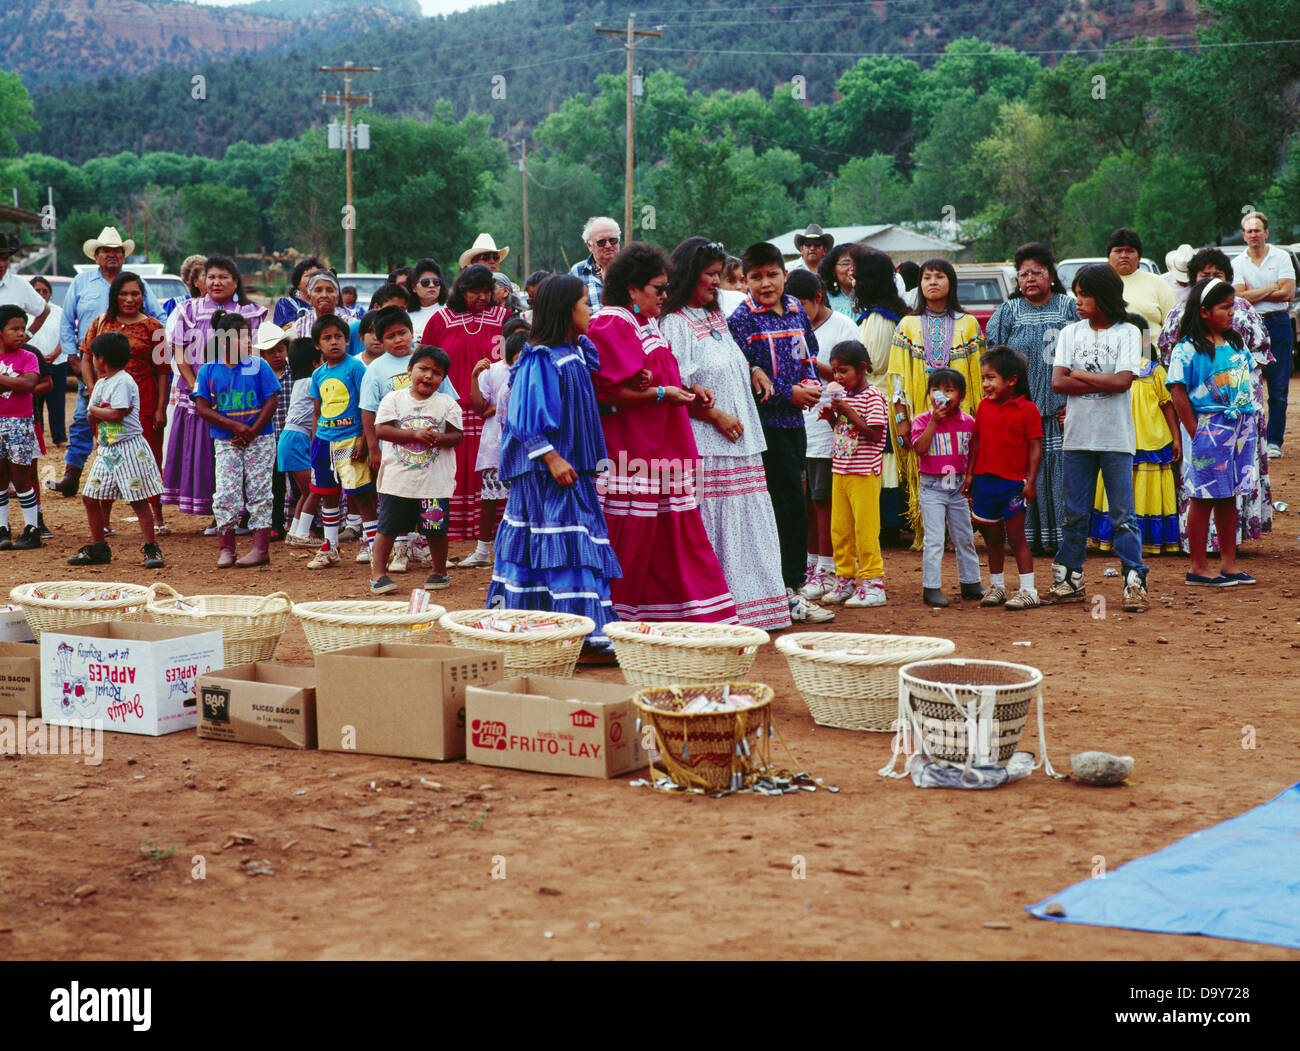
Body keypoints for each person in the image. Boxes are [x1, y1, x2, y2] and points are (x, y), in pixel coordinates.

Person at [590, 243, 739, 624]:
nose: (665, 295)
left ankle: (674, 617)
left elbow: (659, 381)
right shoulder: (612, 322)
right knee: (632, 538)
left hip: (663, 446)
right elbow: (606, 390)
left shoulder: (646, 322)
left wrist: (689, 393)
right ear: (632, 290)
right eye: (658, 288)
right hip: (633, 449)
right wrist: (660, 393)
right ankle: (614, 622)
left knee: (668, 537)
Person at [661, 237, 792, 631]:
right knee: (715, 526)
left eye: (720, 275)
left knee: (748, 523)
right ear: (688, 276)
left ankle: (758, 608)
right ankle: (722, 611)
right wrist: (715, 415)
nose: (716, 282)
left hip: (741, 442)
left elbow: (729, 361)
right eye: (709, 276)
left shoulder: (715, 317)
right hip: (709, 445)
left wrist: (752, 370)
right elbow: (676, 388)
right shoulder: (675, 322)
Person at [486, 274, 622, 651]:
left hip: (570, 468)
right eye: (584, 303)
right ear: (565, 310)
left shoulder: (575, 351)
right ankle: (556, 632)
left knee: (567, 545)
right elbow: (523, 419)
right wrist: (552, 458)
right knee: (559, 545)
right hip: (547, 473)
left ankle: (573, 633)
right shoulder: (540, 358)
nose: (590, 309)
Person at [728, 241, 830, 623]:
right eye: (756, 277)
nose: (765, 283)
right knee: (777, 507)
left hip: (795, 424)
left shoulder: (795, 311)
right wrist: (791, 393)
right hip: (764, 428)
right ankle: (783, 590)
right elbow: (744, 380)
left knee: (795, 506)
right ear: (744, 280)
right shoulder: (741, 320)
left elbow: (808, 355)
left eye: (772, 275)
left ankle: (794, 586)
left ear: (785, 276)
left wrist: (811, 384)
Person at [1048, 264, 1148, 612]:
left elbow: (1124, 382)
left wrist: (1078, 373)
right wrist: (1097, 378)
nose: (1079, 301)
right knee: (1075, 514)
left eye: (1085, 294)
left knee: (1123, 515)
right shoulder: (1069, 333)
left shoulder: (1133, 331)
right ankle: (1070, 578)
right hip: (1077, 436)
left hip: (1116, 437)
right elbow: (1057, 383)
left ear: (1104, 296)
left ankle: (1134, 580)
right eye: (1076, 293)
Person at [1158, 247, 1272, 552]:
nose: (1209, 279)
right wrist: (1195, 430)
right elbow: (1174, 379)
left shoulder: (1243, 317)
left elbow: (1255, 360)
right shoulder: (1181, 325)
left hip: (1239, 419)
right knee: (1202, 489)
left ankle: (1229, 553)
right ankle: (1197, 557)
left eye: (1217, 274)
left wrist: (1246, 410)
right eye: (1203, 275)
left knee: (1232, 488)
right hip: (1203, 422)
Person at [52, 227, 164, 498]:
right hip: (93, 367)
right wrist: (74, 358)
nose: (112, 255)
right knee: (85, 418)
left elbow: (160, 317)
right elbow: (67, 321)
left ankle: (139, 490)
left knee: (135, 428)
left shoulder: (139, 284)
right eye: (106, 251)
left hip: (137, 375)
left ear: (123, 256)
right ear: (96, 255)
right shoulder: (81, 283)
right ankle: (73, 472)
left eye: (117, 251)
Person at [985, 243, 1079, 554]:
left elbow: (1084, 355)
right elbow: (993, 362)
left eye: (1037, 272)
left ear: (1051, 275)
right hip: (1020, 412)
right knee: (1023, 473)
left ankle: (1065, 541)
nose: (1029, 279)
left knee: (1061, 473)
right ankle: (1026, 540)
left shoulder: (1070, 308)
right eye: (1023, 274)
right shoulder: (1007, 312)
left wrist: (1074, 402)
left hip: (1060, 411)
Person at [1166, 277, 1259, 587]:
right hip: (1207, 430)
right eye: (1224, 307)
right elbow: (1177, 391)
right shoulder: (1187, 348)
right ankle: (1198, 566)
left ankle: (1229, 564)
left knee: (1229, 496)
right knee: (1202, 497)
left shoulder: (1235, 342)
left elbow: (1245, 380)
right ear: (1204, 311)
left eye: (1232, 306)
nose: (1232, 312)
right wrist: (1196, 433)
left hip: (1238, 429)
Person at [889, 257, 984, 548]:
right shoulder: (907, 324)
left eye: (939, 276)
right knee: (926, 470)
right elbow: (897, 378)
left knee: (959, 466)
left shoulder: (968, 324)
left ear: (951, 283)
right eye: (927, 277)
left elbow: (978, 376)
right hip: (921, 413)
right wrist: (902, 419)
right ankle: (928, 534)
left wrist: (979, 416)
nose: (932, 282)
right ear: (919, 284)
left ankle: (959, 534)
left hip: (961, 415)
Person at [163, 255, 266, 521]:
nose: (216, 282)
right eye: (211, 276)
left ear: (235, 281)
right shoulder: (189, 310)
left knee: (242, 456)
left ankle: (243, 514)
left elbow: (257, 355)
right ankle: (217, 515)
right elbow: (179, 352)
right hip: (200, 398)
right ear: (202, 280)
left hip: (241, 400)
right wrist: (196, 389)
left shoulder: (252, 312)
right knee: (208, 457)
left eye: (223, 277)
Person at [360, 306, 457, 573]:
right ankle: (398, 553)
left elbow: (449, 404)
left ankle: (425, 553)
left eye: (402, 333)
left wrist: (442, 436)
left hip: (431, 461)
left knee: (430, 513)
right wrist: (373, 449)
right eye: (390, 336)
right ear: (380, 340)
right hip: (395, 452)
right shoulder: (375, 370)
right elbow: (368, 410)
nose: (398, 340)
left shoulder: (429, 360)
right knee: (394, 509)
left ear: (412, 332)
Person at [421, 264, 508, 544]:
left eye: (486, 292)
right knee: (452, 468)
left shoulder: (504, 318)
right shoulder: (441, 320)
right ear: (461, 290)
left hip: (493, 411)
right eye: (475, 292)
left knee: (492, 469)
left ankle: (490, 533)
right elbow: (426, 361)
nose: (482, 297)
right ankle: (450, 529)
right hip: (452, 407)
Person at [785, 267, 858, 602]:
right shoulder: (788, 325)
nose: (795, 312)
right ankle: (813, 566)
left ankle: (830, 569)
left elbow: (853, 378)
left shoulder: (844, 327)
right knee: (807, 502)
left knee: (828, 504)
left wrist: (814, 364)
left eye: (801, 304)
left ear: (817, 298)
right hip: (800, 429)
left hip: (833, 431)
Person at [79, 271, 169, 535]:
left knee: (148, 456)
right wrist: (93, 388)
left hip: (144, 399)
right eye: (123, 293)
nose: (130, 299)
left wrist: (161, 408)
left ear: (143, 296)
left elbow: (163, 370)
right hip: (107, 402)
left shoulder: (155, 328)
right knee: (107, 453)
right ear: (114, 296)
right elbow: (86, 357)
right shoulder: (100, 322)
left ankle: (158, 517)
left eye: (135, 293)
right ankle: (104, 520)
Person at [369, 346, 463, 594]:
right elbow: (382, 430)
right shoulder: (394, 399)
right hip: (398, 481)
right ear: (410, 370)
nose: (429, 376)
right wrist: (414, 434)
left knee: (435, 529)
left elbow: (457, 436)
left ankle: (439, 572)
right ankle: (378, 574)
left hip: (433, 482)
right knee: (387, 528)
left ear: (443, 378)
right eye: (423, 369)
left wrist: (437, 439)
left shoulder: (447, 404)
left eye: (437, 372)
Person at [67, 331, 165, 569]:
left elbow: (115, 414)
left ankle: (152, 548)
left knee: (138, 500)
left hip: (128, 448)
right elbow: (103, 413)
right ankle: (100, 547)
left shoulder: (122, 381)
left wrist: (96, 412)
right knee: (90, 497)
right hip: (108, 449)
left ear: (101, 359)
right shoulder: (103, 383)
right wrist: (98, 413)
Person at [192, 312, 280, 568]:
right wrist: (235, 427)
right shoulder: (208, 370)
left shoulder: (259, 366)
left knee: (260, 492)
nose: (245, 341)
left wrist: (251, 430)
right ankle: (226, 549)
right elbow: (203, 407)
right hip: (226, 440)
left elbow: (271, 400)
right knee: (226, 493)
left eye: (247, 336)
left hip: (260, 439)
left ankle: (261, 549)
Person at [1087, 314, 1180, 556]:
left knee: (1145, 491)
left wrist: (1176, 439)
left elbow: (1167, 405)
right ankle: (1113, 541)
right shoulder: (1107, 369)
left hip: (1151, 443)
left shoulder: (1155, 371)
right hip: (1116, 440)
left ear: (1143, 340)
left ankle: (1147, 542)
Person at [964, 347, 1041, 610]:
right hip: (985, 483)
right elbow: (976, 443)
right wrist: (970, 474)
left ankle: (1029, 590)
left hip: (1013, 485)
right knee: (992, 540)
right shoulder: (983, 407)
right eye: (983, 378)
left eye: (991, 378)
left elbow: (1035, 448)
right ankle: (996, 587)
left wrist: (1030, 482)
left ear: (1011, 380)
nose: (985, 384)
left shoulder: (1028, 410)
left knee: (1017, 537)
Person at [816, 340, 889, 607]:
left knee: (865, 530)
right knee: (840, 529)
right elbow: (845, 432)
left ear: (861, 369)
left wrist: (848, 412)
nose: (837, 377)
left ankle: (873, 583)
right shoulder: (843, 397)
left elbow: (875, 434)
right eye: (835, 371)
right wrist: (832, 418)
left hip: (864, 474)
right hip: (841, 471)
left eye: (843, 371)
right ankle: (845, 580)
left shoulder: (874, 397)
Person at [850, 246, 910, 545]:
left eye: (857, 275)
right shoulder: (890, 313)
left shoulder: (879, 320)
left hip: (880, 402)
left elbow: (870, 364)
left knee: (883, 462)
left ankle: (887, 525)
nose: (852, 278)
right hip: (887, 400)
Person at [307, 313, 375, 568]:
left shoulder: (356, 368)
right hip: (324, 442)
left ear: (348, 341)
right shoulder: (318, 375)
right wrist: (316, 444)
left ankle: (370, 543)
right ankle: (330, 546)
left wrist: (365, 442)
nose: (333, 342)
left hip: (351, 440)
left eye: (339, 337)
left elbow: (366, 407)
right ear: (318, 344)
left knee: (361, 494)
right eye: (327, 338)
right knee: (328, 495)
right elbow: (317, 412)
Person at [911, 368, 982, 607]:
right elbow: (919, 449)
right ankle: (931, 588)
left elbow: (974, 449)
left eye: (949, 390)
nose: (941, 395)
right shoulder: (922, 421)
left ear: (961, 396)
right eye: (936, 390)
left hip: (958, 487)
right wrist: (934, 421)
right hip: (932, 487)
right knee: (934, 538)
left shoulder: (968, 422)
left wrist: (970, 476)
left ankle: (971, 583)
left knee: (964, 536)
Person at [1232, 211, 1295, 459]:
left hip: (1279, 323)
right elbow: (1238, 297)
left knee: (1278, 386)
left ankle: (1274, 441)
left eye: (1257, 230)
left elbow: (1288, 293)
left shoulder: (1281, 257)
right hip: (1248, 325)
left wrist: (1253, 292)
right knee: (1246, 382)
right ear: (1244, 235)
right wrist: (1271, 287)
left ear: (1266, 233)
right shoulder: (1237, 263)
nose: (1253, 235)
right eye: (1249, 231)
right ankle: (1250, 439)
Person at [463, 331, 521, 574]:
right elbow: (480, 408)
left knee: (517, 499)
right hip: (494, 442)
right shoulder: (492, 370)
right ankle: (482, 552)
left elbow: (494, 407)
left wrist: (497, 407)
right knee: (490, 500)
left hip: (520, 442)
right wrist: (475, 377)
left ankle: (513, 552)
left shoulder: (531, 369)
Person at [0, 306, 43, 550]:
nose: (21, 334)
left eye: (23, 329)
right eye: (14, 329)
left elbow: (29, 383)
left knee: (21, 476)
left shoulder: (28, 357)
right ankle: (2, 528)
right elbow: (21, 383)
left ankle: (32, 528)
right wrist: (13, 382)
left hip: (19, 421)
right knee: (0, 477)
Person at [279, 337, 321, 548]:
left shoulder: (298, 382)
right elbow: (317, 412)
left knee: (306, 491)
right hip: (297, 439)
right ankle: (302, 532)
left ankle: (296, 532)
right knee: (314, 489)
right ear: (315, 363)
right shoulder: (314, 381)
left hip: (290, 439)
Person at [258, 326, 293, 541]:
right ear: (263, 355)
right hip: (269, 438)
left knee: (300, 483)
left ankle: (305, 523)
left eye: (280, 350)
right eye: (271, 352)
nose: (277, 355)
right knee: (274, 484)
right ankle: (276, 524)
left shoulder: (295, 371)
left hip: (291, 437)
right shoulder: (260, 375)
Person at [1105, 227, 1174, 332]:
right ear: (1109, 256)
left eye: (1129, 251)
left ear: (1139, 257)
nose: (1124, 255)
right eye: (1118, 251)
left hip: (1147, 344)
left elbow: (1174, 325)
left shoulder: (1157, 282)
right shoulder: (1099, 283)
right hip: (1109, 346)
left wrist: (1147, 347)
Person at [26, 276, 66, 447]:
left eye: (45, 290)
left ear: (50, 293)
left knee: (57, 401)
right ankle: (37, 437)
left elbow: (65, 335)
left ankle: (60, 438)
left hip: (57, 361)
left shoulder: (59, 311)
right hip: (31, 363)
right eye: (37, 290)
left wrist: (55, 354)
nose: (41, 294)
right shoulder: (24, 312)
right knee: (34, 400)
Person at [569, 217, 621, 312]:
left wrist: (635, 309)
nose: (608, 245)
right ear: (589, 245)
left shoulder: (632, 269)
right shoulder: (577, 272)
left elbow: (641, 309)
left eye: (613, 240)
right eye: (601, 242)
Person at [289, 271, 347, 339]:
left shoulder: (350, 324)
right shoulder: (300, 326)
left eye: (330, 290)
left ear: (337, 298)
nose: (324, 295)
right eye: (318, 290)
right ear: (309, 298)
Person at [273, 256, 326, 327]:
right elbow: (278, 333)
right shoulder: (285, 304)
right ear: (297, 281)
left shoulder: (327, 304)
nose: (312, 279)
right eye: (307, 276)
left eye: (316, 275)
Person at [406, 258, 448, 338]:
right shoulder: (407, 314)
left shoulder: (450, 311)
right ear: (414, 287)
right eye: (425, 282)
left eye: (436, 282)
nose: (431, 285)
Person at [816, 245, 856, 316]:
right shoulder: (825, 297)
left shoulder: (870, 296)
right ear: (833, 271)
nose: (852, 268)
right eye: (845, 264)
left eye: (856, 263)